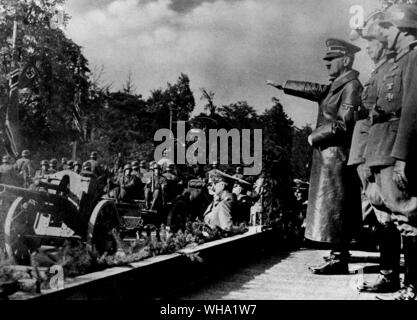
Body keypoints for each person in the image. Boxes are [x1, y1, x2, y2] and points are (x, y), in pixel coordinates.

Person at [267, 38, 363, 274]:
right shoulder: (337, 85)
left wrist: (314, 136)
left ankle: (338, 259)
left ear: (346, 60)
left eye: (331, 60)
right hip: (329, 157)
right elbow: (316, 90)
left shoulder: (352, 86)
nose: (326, 64)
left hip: (336, 157)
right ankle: (336, 257)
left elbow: (343, 123)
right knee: (333, 210)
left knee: (336, 210)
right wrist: (285, 86)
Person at [363, 4, 417, 300]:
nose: (383, 34)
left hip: (396, 147)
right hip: (385, 146)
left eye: (388, 27)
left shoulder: (413, 58)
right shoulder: (404, 59)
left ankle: (412, 286)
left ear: (404, 29)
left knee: (408, 219)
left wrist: (402, 156)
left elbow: (410, 111)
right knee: (401, 219)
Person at [349, 10, 402, 294]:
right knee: (384, 217)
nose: (367, 46)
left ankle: (390, 274)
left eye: (371, 40)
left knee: (389, 218)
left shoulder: (393, 67)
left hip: (381, 152)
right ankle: (389, 272)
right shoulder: (378, 70)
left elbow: (382, 115)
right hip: (370, 151)